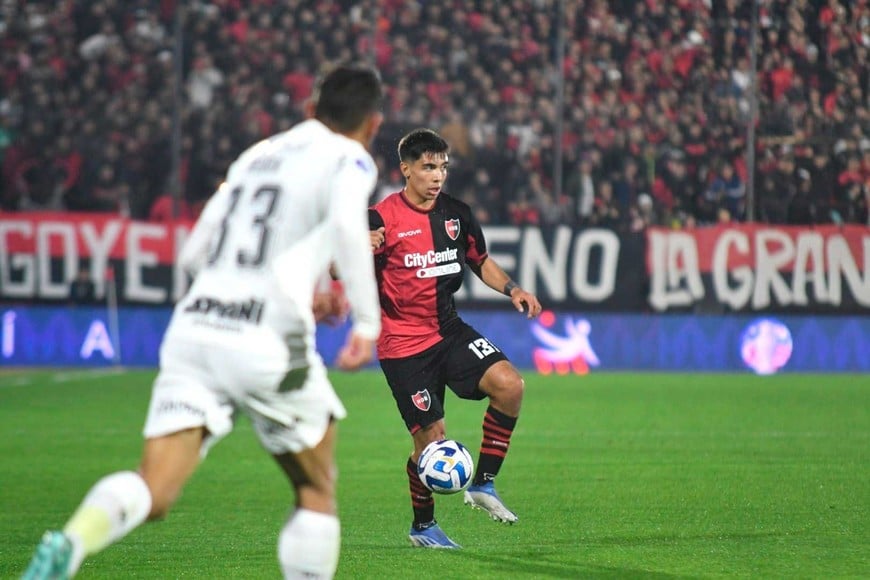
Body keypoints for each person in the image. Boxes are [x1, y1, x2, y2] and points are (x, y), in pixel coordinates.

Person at [22, 63, 385, 580]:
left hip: (194, 332)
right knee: (315, 487)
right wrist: (366, 324)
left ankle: (73, 541)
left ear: (310, 109)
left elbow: (194, 254)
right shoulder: (349, 156)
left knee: (153, 488)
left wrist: (283, 296)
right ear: (372, 124)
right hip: (265, 342)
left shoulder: (256, 156)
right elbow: (350, 228)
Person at [368, 128, 542, 549]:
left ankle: (483, 484)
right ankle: (423, 526)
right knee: (431, 443)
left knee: (510, 385)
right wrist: (359, 246)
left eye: (443, 167)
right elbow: (339, 269)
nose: (437, 176)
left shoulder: (457, 214)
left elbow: (480, 261)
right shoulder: (379, 218)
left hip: (448, 330)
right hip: (404, 346)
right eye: (428, 167)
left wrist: (513, 288)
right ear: (405, 169)